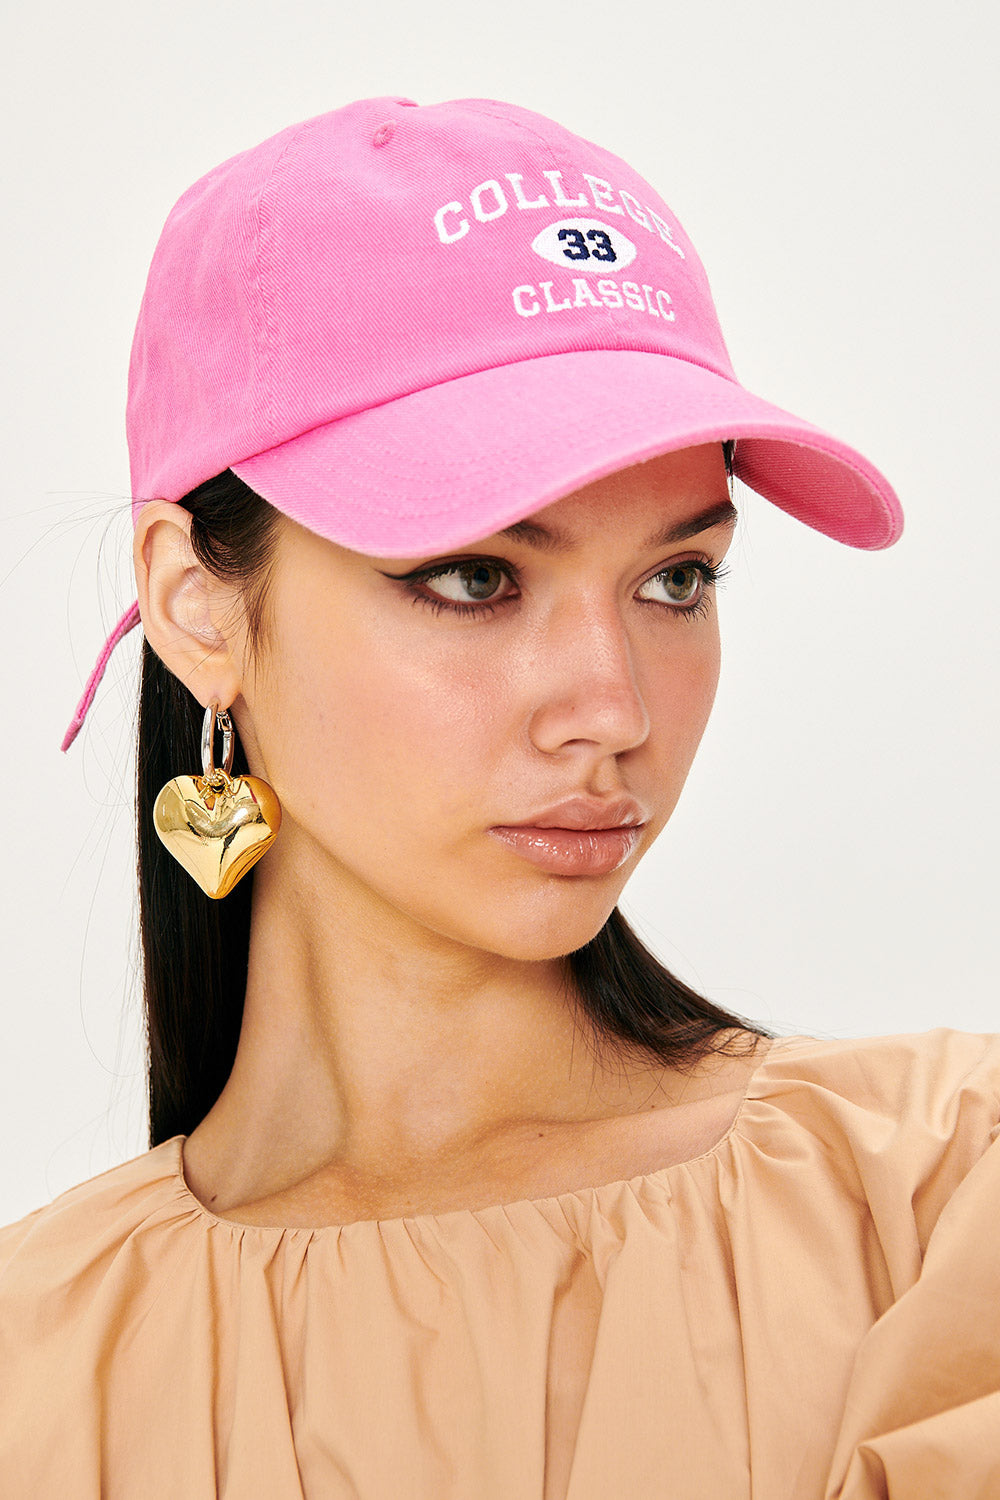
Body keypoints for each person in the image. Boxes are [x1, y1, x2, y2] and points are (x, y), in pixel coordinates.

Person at [1, 95, 997, 1499]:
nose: (614, 710)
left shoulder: (942, 1196)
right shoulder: (37, 1369)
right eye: (477, 577)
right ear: (197, 606)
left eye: (677, 579)